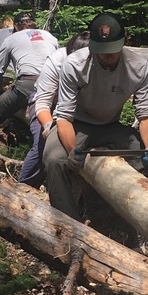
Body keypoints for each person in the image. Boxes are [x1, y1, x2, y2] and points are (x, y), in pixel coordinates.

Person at [42, 12, 148, 239]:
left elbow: (146, 113)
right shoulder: (75, 64)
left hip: (111, 125)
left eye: (113, 49)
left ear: (123, 43)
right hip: (76, 125)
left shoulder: (138, 67)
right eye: (102, 50)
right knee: (55, 159)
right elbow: (64, 116)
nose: (108, 55)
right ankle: (70, 227)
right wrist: (72, 151)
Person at [0, 14, 58, 149]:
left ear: (15, 26)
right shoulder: (50, 36)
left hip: (27, 84)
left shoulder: (11, 39)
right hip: (54, 83)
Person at [17, 29, 90, 188]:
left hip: (75, 109)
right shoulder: (57, 60)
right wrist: (49, 126)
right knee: (44, 143)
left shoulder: (99, 63)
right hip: (48, 105)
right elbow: (43, 102)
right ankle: (24, 188)